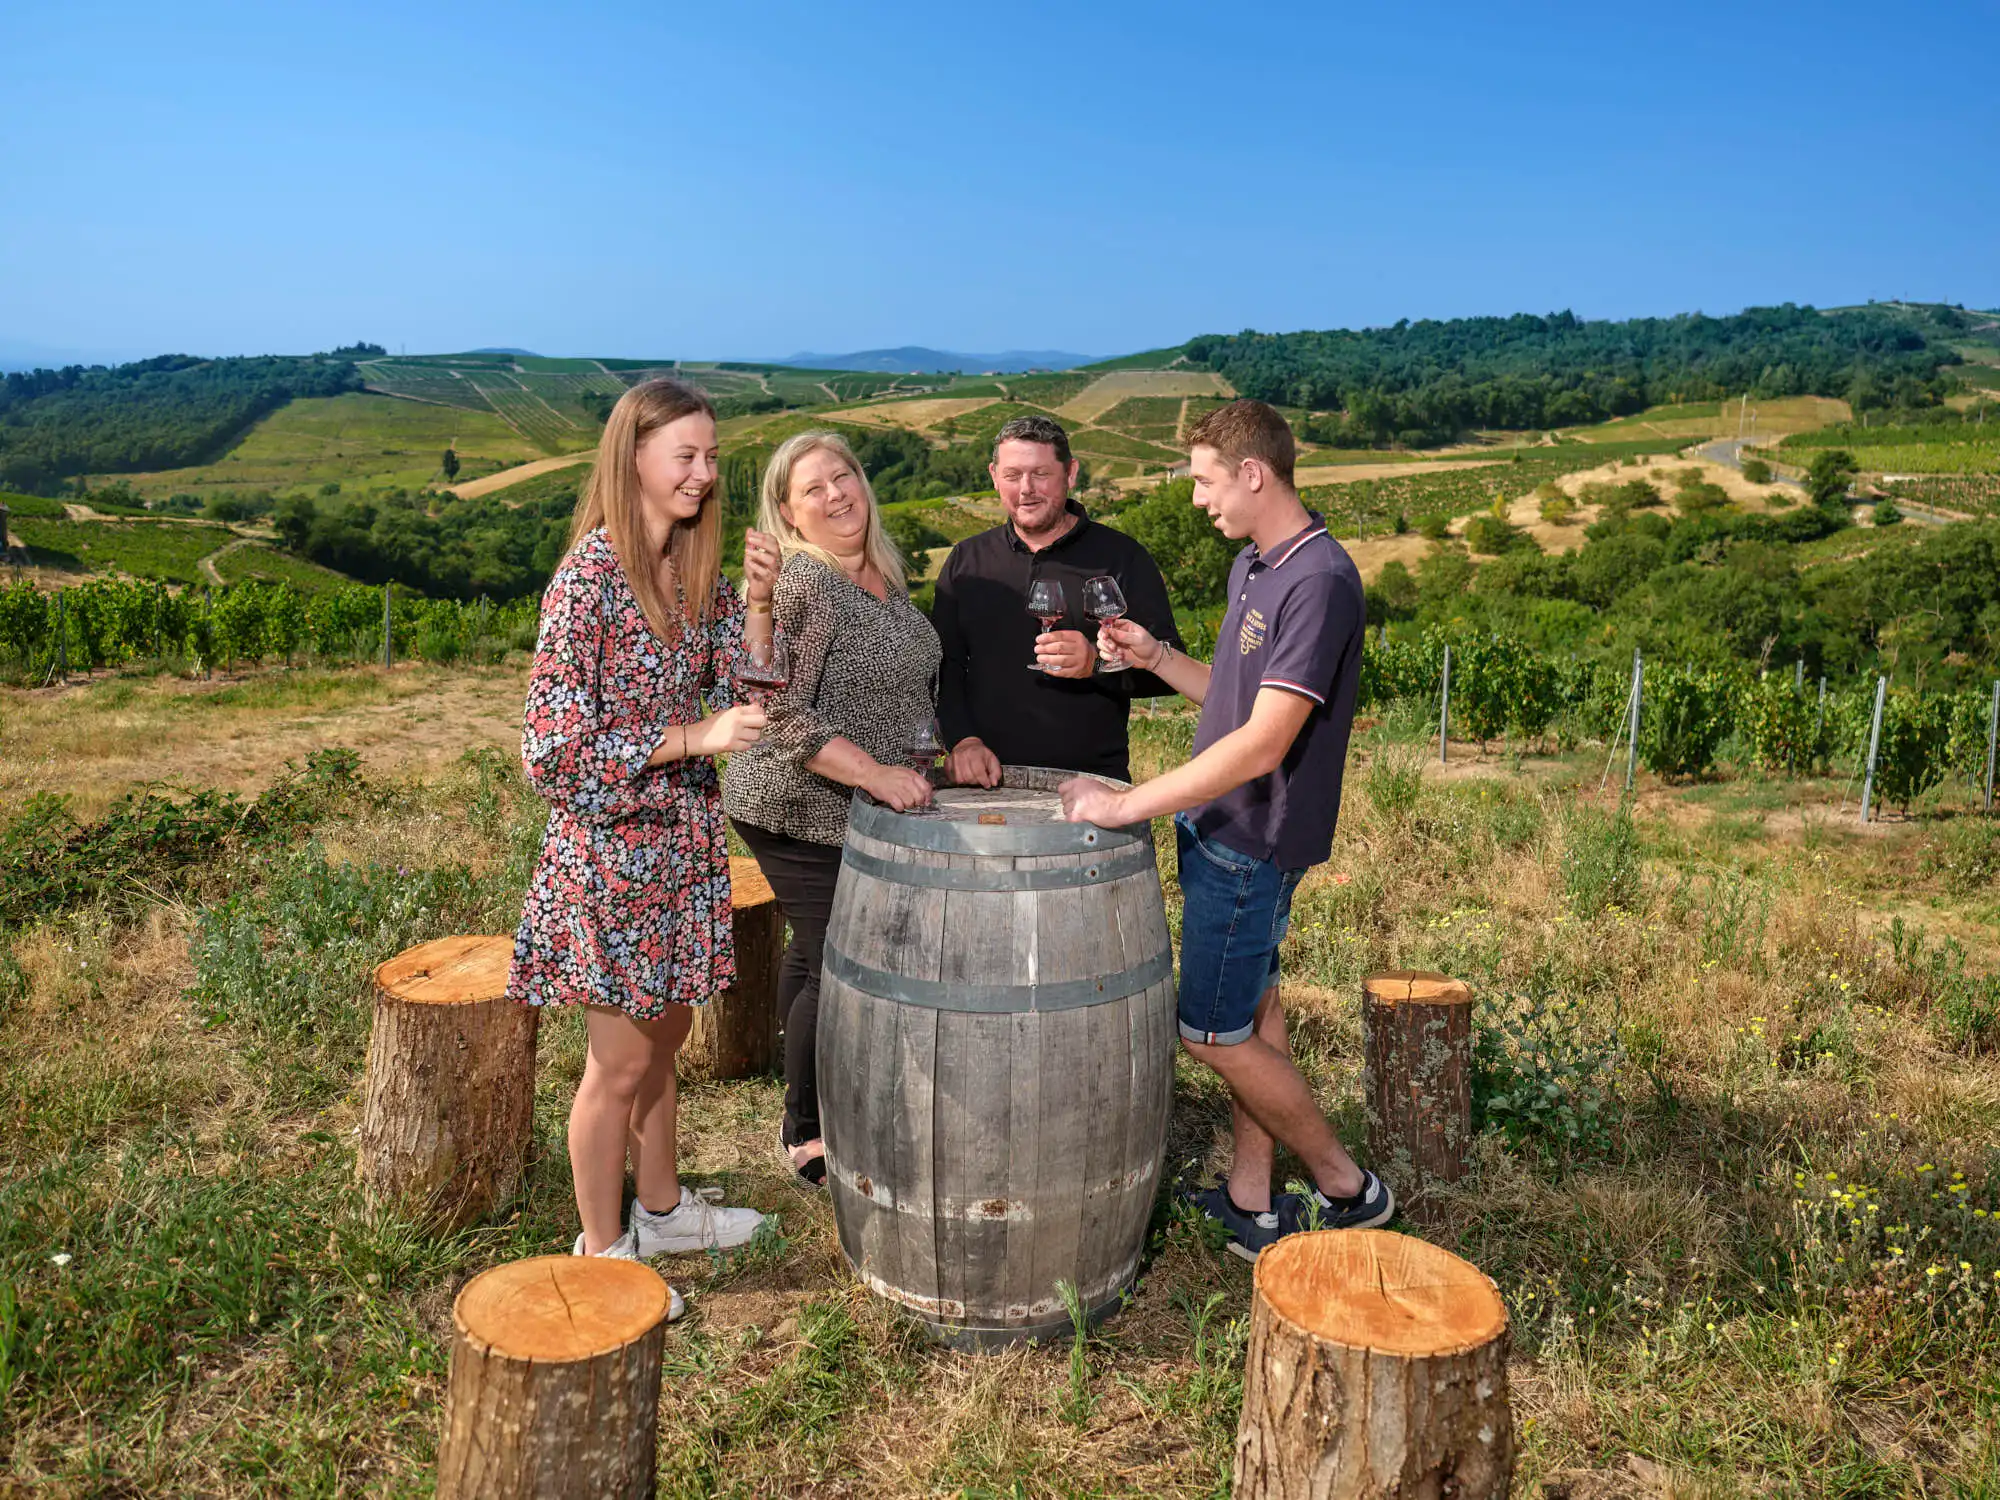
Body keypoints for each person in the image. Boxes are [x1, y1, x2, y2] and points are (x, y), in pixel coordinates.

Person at [1058, 399, 1394, 1262]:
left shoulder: (1319, 581)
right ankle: (1253, 1199)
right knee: (1255, 1013)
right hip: (1219, 829)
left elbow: (1265, 742)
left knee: (1209, 1032)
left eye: (1207, 481)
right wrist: (1155, 657)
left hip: (1253, 840)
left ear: (1253, 472)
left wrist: (1128, 805)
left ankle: (1346, 1188)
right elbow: (1236, 699)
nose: (1199, 499)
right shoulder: (1257, 565)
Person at [508, 378, 779, 1315]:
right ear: (635, 461)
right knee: (616, 1069)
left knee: (663, 1042)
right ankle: (602, 1251)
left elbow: (736, 685)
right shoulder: (590, 578)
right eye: (686, 457)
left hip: (679, 846)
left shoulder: (683, 572)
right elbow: (551, 748)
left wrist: (756, 604)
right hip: (611, 860)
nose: (706, 475)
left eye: (712, 457)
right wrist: (690, 740)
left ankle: (661, 1209)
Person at [723, 431, 941, 1188]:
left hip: (854, 801)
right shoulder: (804, 584)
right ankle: (807, 1127)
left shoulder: (883, 568)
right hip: (794, 801)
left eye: (843, 475)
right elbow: (777, 712)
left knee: (810, 951)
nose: (836, 494)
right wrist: (876, 773)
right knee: (835, 961)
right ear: (788, 512)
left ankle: (799, 1086)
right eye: (813, 489)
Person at [932, 413, 1180, 785]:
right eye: (1013, 476)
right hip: (985, 783)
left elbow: (1168, 670)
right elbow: (944, 666)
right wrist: (964, 741)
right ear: (994, 476)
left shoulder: (1122, 557)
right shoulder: (967, 562)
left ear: (1071, 473)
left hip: (1092, 784)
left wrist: (1098, 665)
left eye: (1041, 474)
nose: (1026, 489)